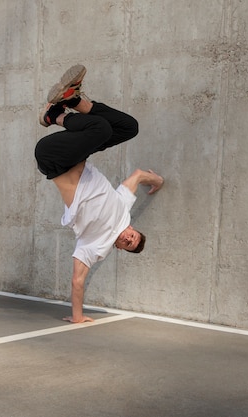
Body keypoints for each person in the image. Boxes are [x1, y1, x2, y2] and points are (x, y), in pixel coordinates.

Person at [35, 64, 164, 323]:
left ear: (118, 248)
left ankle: (56, 116)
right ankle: (73, 100)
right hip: (76, 153)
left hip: (53, 159)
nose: (128, 238)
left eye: (128, 244)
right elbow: (137, 175)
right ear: (133, 229)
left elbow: (77, 279)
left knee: (100, 130)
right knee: (129, 127)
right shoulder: (122, 209)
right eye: (134, 236)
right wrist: (157, 179)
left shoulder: (96, 246)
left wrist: (78, 317)